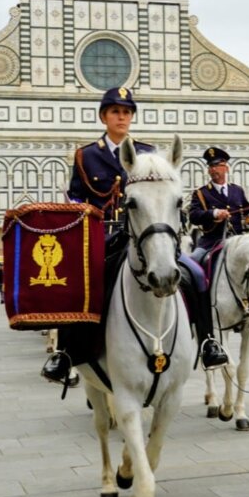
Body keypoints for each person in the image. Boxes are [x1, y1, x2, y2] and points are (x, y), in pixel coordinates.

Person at [41, 87, 228, 387]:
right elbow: (76, 199)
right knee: (80, 282)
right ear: (104, 116)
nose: (121, 117)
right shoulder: (86, 156)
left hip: (146, 237)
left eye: (126, 112)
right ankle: (65, 353)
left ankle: (208, 342)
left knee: (195, 274)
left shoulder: (148, 153)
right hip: (103, 236)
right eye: (115, 112)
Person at [188, 146, 249, 255]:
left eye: (217, 165)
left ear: (226, 168)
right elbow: (194, 216)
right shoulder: (201, 193)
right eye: (211, 166)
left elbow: (245, 212)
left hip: (238, 240)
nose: (213, 169)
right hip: (211, 243)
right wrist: (214, 214)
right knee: (194, 259)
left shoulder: (237, 190)